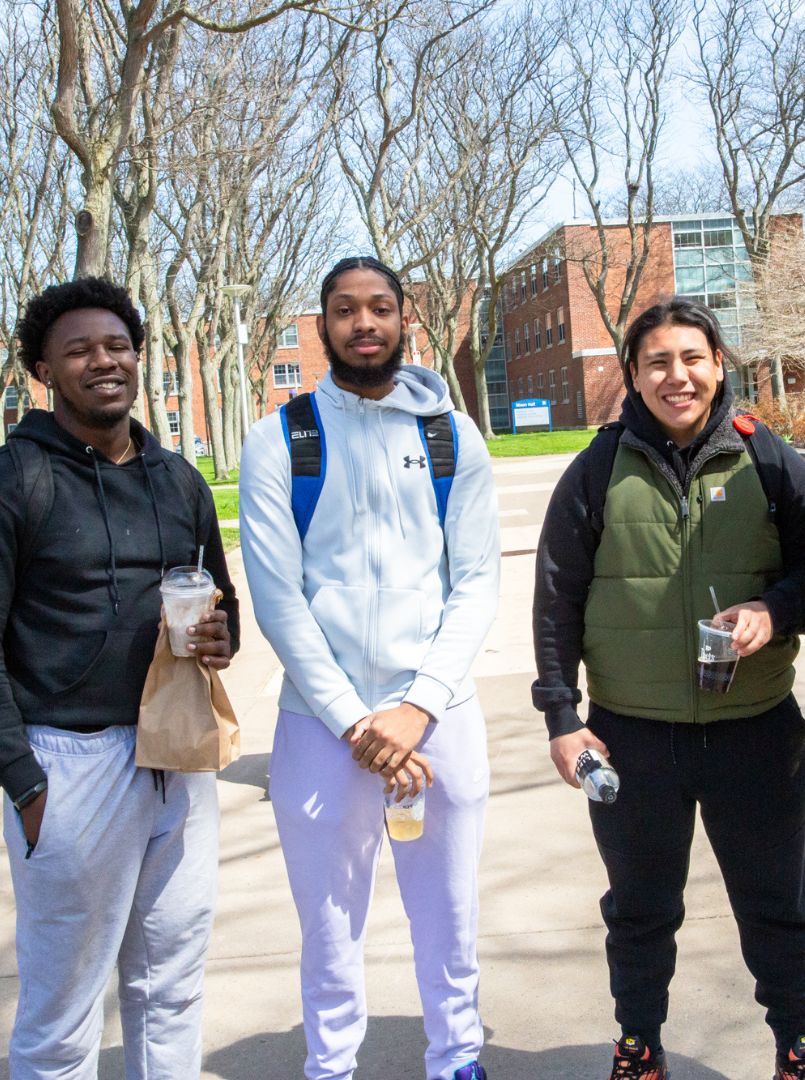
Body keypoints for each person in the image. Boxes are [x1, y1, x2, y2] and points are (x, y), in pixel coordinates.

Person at [533, 298, 805, 1080]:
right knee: (638, 907)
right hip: (632, 735)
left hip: (755, 727)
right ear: (633, 374)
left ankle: (798, 1043)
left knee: (779, 901)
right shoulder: (597, 469)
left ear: (718, 364)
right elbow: (556, 598)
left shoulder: (768, 459)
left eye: (692, 358)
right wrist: (563, 716)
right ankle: (639, 1043)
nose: (678, 376)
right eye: (658, 361)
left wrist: (774, 609)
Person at [239, 256, 500, 1080]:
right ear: (321, 328)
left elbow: (477, 583)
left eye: (379, 308)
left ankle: (457, 1057)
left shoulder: (452, 437)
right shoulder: (281, 440)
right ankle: (331, 1065)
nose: (363, 324)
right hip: (322, 727)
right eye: (345, 311)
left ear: (403, 320)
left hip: (440, 717)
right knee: (327, 922)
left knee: (449, 915)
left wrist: (416, 708)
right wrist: (357, 719)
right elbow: (279, 600)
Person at [0, 278, 239, 1079]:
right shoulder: (17, 478)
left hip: (178, 752)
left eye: (117, 346)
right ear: (44, 369)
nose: (103, 361)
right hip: (68, 765)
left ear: (138, 357)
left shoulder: (178, 479)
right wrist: (26, 785)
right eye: (79, 350)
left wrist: (216, 636)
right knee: (64, 1011)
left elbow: (225, 608)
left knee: (169, 988)